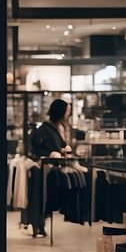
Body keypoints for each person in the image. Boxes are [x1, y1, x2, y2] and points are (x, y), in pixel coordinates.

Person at [27, 98, 73, 238]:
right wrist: (51, 152)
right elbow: (35, 146)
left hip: (53, 167)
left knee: (45, 197)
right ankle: (38, 225)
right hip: (45, 168)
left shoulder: (58, 127)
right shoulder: (46, 128)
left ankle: (40, 224)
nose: (68, 114)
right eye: (67, 111)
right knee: (42, 197)